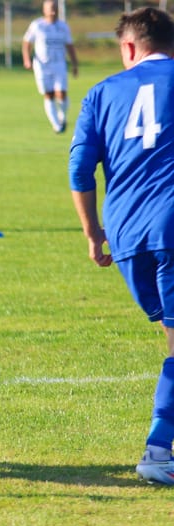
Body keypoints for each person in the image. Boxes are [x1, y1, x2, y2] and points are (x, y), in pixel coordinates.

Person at [70, 7, 174, 485]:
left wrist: (93, 233)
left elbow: (79, 171)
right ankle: (157, 450)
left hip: (128, 236)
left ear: (129, 48)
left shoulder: (100, 92)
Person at [22, 0, 79, 133]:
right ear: (44, 10)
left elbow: (69, 46)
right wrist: (26, 59)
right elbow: (26, 43)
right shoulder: (37, 25)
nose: (53, 11)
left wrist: (75, 63)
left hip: (59, 64)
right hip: (42, 65)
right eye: (50, 8)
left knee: (61, 93)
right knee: (48, 94)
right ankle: (56, 125)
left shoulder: (63, 26)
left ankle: (62, 117)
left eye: (54, 8)